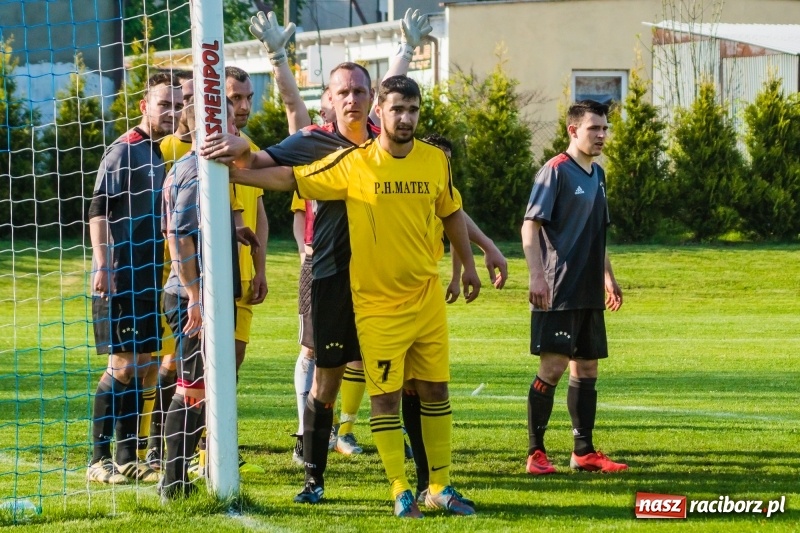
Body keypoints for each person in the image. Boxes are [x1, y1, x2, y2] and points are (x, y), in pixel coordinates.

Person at [222, 75, 481, 519]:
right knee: (350, 387)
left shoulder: (434, 159)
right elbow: (287, 175)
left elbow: (451, 210)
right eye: (397, 109)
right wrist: (232, 170)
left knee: (429, 389)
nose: (405, 117)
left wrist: (473, 260)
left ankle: (436, 485)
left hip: (419, 297)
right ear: (379, 109)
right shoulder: (342, 156)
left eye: (412, 109)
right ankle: (352, 484)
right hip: (353, 290)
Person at [159, 97, 259, 499]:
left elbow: (193, 229)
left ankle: (181, 478)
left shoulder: (203, 169)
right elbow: (178, 237)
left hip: (202, 294)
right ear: (209, 128)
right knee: (192, 390)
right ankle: (172, 482)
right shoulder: (195, 171)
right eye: (229, 122)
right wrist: (196, 297)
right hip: (191, 297)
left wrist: (232, 232)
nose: (236, 130)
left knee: (201, 387)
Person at [521, 99, 627, 476]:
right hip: (558, 289)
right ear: (573, 130)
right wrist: (536, 275)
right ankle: (536, 453)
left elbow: (598, 233)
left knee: (587, 367)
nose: (601, 135)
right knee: (552, 367)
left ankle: (583, 452)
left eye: (604, 128)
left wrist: (608, 277)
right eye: (594, 128)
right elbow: (530, 226)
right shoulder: (555, 171)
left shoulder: (597, 175)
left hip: (588, 291)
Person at [86, 72, 183, 484]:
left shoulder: (158, 154)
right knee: (123, 365)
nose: (172, 112)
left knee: (144, 365)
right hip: (120, 275)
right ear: (144, 106)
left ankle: (127, 456)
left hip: (147, 275)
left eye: (178, 105)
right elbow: (98, 210)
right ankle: (98, 459)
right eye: (164, 104)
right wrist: (103, 264)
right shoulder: (123, 150)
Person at [403, 133, 507, 503]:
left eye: (447, 160)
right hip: (385, 292)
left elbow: (454, 219)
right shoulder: (404, 180)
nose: (442, 166)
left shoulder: (441, 187)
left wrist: (471, 261)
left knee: (425, 386)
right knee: (393, 387)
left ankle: (429, 482)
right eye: (438, 158)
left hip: (425, 290)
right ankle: (332, 444)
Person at [139, 69, 194, 470]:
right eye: (174, 102)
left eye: (184, 102)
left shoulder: (212, 150)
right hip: (165, 278)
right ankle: (150, 446)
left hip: (194, 277)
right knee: (157, 364)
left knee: (183, 365)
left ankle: (180, 447)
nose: (178, 110)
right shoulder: (163, 151)